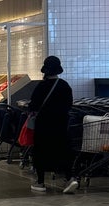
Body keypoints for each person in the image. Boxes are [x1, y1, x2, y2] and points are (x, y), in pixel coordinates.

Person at [28, 56, 75, 193]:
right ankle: (69, 178)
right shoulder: (64, 85)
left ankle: (41, 182)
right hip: (61, 125)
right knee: (62, 150)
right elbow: (69, 105)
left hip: (43, 126)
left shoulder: (41, 86)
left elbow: (34, 105)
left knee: (41, 152)